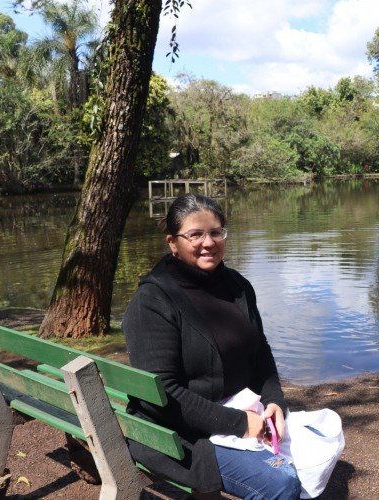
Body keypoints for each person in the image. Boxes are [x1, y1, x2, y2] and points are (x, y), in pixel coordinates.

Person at [122, 193, 301, 499]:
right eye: (195, 234)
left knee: (313, 455)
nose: (208, 242)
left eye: (216, 232)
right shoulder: (153, 301)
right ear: (172, 242)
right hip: (180, 432)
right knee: (283, 483)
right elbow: (161, 394)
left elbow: (260, 352)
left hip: (238, 412)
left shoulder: (238, 287)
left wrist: (274, 401)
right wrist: (239, 423)